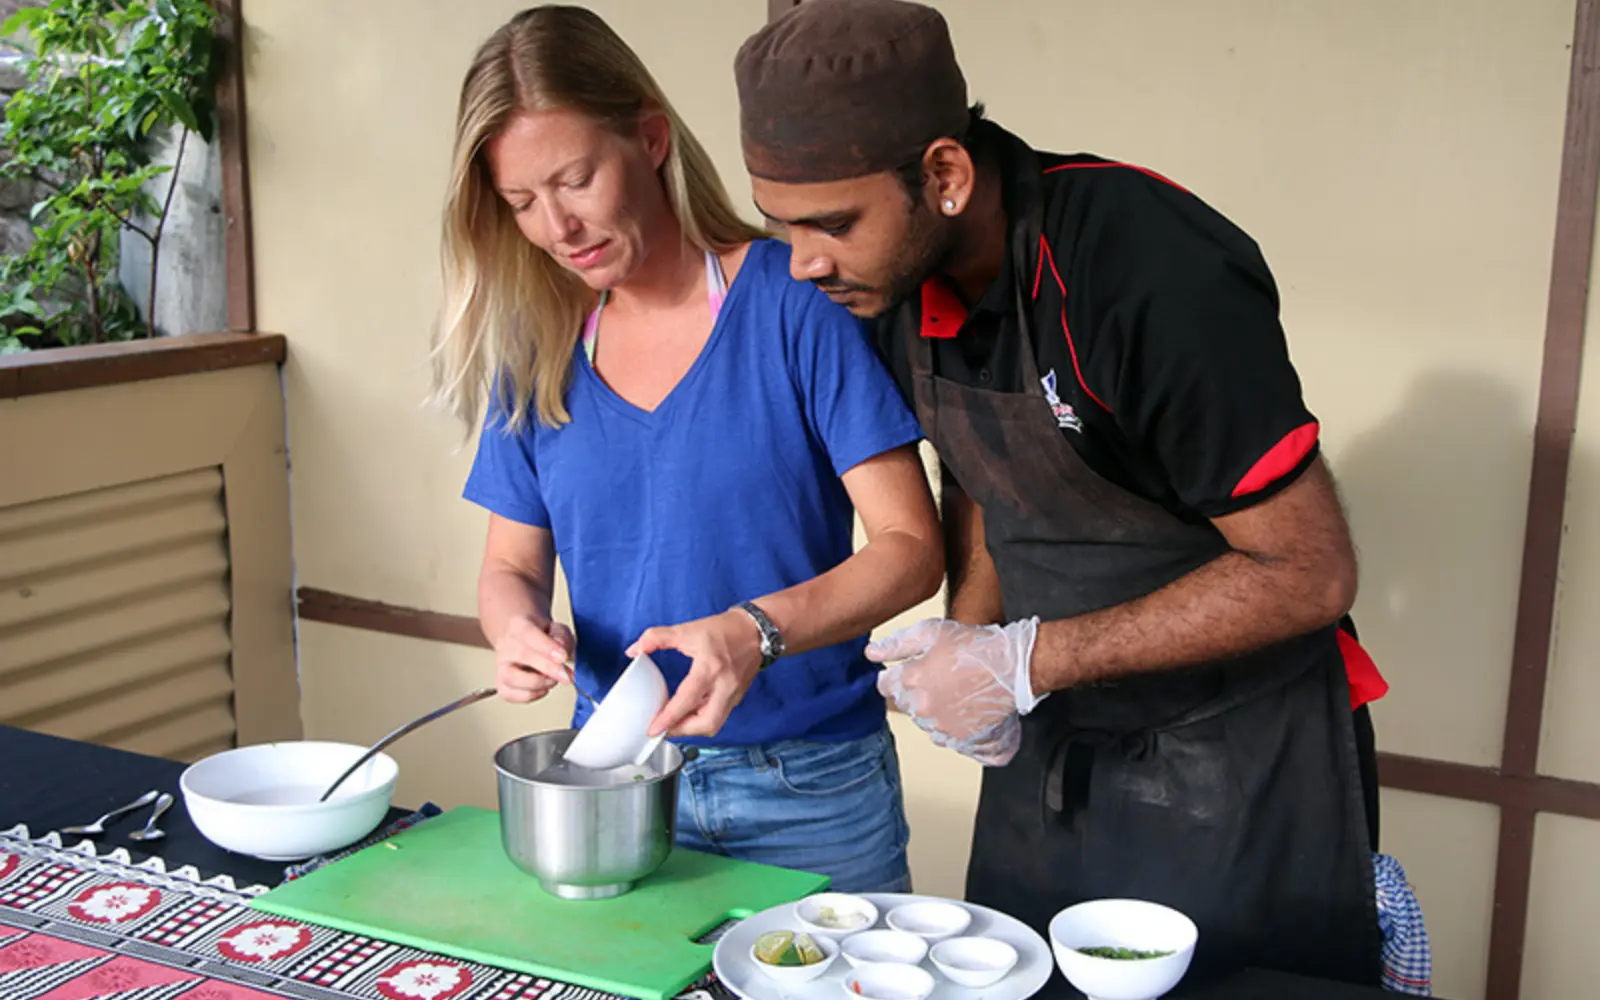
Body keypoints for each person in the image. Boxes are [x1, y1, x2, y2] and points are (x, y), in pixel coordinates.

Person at [732, 0, 1430, 991]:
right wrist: (967, 645)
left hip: (1238, 762)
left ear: (943, 175)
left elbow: (1310, 571)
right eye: (782, 227)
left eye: (831, 224)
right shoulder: (888, 285)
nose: (802, 262)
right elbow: (974, 472)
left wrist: (1025, 655)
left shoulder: (1142, 271)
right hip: (1053, 747)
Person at [430, 4, 944, 894]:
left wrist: (757, 633)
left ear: (652, 138)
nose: (558, 226)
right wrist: (513, 625)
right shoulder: (538, 351)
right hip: (613, 782)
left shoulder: (795, 304)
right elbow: (510, 567)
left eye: (577, 179)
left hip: (809, 788)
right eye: (521, 203)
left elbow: (910, 551)